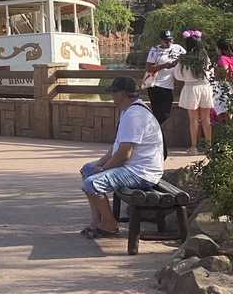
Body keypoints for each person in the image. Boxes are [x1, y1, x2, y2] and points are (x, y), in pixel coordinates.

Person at [79, 76, 163, 239]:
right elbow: (117, 146)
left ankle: (110, 225)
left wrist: (103, 170)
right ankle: (96, 221)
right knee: (87, 170)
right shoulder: (131, 111)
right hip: (132, 167)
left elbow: (124, 154)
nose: (111, 95)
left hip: (142, 172)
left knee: (91, 183)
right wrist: (99, 164)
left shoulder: (134, 116)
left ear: (122, 94)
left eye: (113, 92)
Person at [173, 32, 214, 155]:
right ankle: (208, 146)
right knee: (206, 119)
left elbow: (177, 75)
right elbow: (211, 75)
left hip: (191, 88)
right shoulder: (206, 59)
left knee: (193, 120)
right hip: (206, 88)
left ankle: (194, 147)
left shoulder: (184, 59)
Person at [144, 29, 185, 127]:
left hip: (168, 87)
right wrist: (164, 66)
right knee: (157, 114)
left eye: (170, 40)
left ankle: (149, 128)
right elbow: (148, 67)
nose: (168, 43)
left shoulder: (178, 48)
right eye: (165, 41)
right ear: (160, 40)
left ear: (173, 40)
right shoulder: (154, 50)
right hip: (155, 86)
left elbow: (187, 58)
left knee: (166, 114)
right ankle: (152, 132)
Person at [212, 38, 233, 123]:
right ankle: (230, 130)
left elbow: (224, 72)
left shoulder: (223, 59)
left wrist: (216, 74)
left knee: (224, 111)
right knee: (230, 109)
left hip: (225, 87)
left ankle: (225, 130)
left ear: (219, 48)